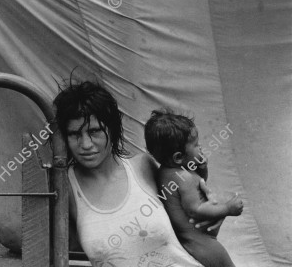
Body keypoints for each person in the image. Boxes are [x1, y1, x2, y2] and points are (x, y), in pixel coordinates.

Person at [54, 80, 221, 266]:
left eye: (95, 131)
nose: (85, 144)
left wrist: (214, 214)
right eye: (74, 134)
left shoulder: (144, 167)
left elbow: (192, 223)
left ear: (112, 128)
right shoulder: (65, 187)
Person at [145, 109, 243, 267]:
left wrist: (202, 168)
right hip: (203, 245)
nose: (201, 147)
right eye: (196, 145)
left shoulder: (166, 172)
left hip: (190, 242)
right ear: (178, 157)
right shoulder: (185, 177)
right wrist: (227, 209)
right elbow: (195, 210)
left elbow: (200, 183)